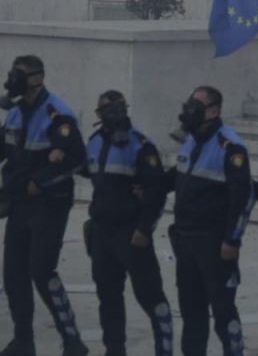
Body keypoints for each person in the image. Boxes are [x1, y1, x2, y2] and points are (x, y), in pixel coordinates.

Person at [0, 55, 88, 356]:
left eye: (20, 74)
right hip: (19, 203)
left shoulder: (57, 115)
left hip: (49, 204)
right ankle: (22, 341)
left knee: (42, 271)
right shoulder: (15, 112)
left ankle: (73, 342)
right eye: (13, 73)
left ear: (37, 78)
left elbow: (77, 159)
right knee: (14, 273)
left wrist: (40, 181)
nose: (13, 79)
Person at [83, 91, 173, 356]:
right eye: (103, 110)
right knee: (108, 296)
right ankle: (114, 349)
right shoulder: (94, 142)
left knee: (150, 295)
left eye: (113, 108)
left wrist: (145, 229)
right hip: (102, 233)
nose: (109, 114)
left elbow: (156, 194)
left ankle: (164, 349)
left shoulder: (141, 146)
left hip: (131, 233)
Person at [167, 86, 252, 356]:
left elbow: (243, 199)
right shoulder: (190, 141)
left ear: (213, 111)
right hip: (186, 241)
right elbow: (175, 178)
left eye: (196, 106)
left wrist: (232, 240)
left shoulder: (230, 147)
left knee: (223, 312)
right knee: (192, 313)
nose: (189, 110)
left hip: (214, 243)